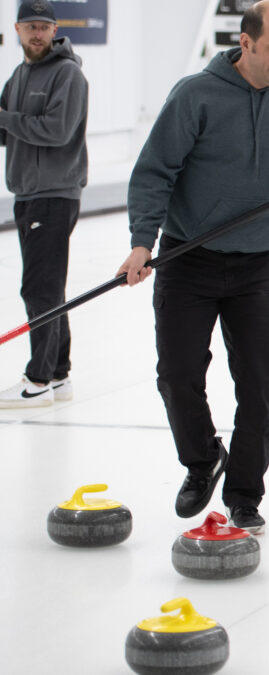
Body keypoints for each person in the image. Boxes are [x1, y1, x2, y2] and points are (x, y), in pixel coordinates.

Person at [117, 1, 269, 534]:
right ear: (247, 42)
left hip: (258, 266)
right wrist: (142, 242)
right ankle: (202, 458)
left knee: (260, 385)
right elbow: (153, 172)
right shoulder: (195, 96)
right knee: (177, 376)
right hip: (189, 260)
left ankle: (245, 496)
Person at [0, 0, 87, 409]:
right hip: (27, 193)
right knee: (50, 287)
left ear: (54, 31)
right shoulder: (19, 74)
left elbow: (55, 130)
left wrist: (6, 119)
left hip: (53, 194)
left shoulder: (67, 74)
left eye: (44, 26)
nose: (37, 33)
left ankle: (36, 380)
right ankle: (58, 373)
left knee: (38, 287)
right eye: (29, 26)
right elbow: (6, 130)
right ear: (17, 30)